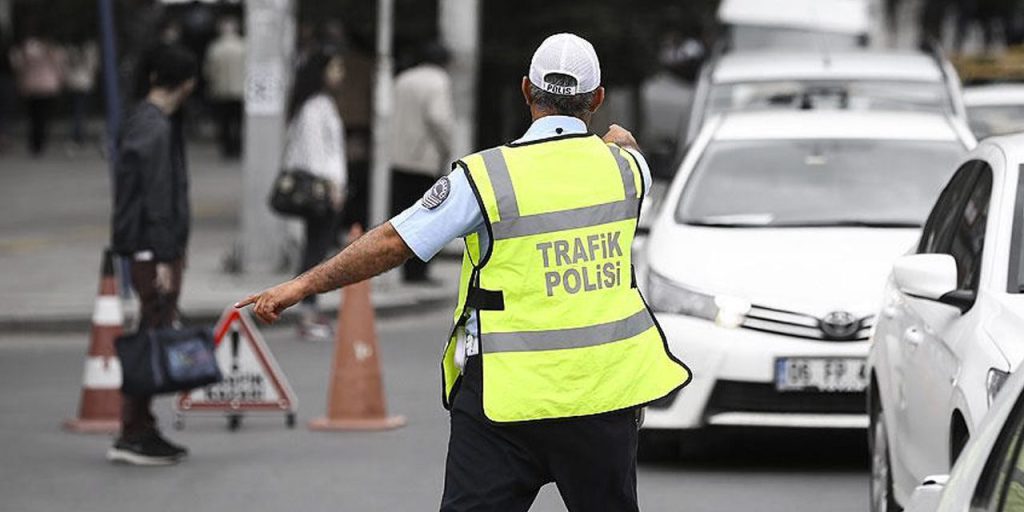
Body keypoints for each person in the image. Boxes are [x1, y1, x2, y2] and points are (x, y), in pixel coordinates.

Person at [237, 33, 690, 511]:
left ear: (525, 91)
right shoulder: (627, 171)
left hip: (504, 398)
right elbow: (627, 146)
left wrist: (302, 284)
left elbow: (395, 241)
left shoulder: (486, 177)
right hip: (602, 396)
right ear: (597, 99)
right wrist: (618, 140)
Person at [109, 43, 197, 466]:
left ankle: (140, 426)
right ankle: (133, 431)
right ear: (187, 83)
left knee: (151, 331)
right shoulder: (156, 127)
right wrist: (165, 256)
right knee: (150, 336)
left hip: (148, 247)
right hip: (152, 250)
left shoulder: (142, 120)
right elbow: (158, 198)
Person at [282, 49, 347, 340]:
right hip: (321, 189)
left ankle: (309, 309)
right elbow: (315, 153)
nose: (339, 74)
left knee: (316, 248)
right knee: (315, 251)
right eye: (335, 67)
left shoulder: (319, 104)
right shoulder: (314, 107)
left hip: (326, 187)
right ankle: (306, 312)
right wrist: (332, 186)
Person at [387, 42, 454, 283]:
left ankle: (405, 269)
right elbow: (438, 117)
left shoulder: (403, 79)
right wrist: (447, 147)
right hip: (424, 159)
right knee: (428, 217)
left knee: (403, 216)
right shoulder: (438, 81)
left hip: (398, 156)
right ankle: (419, 272)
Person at [8, 32, 63, 156]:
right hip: (47, 86)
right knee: (43, 117)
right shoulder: (51, 49)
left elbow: (18, 65)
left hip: (31, 87)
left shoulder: (27, 49)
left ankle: (34, 143)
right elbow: (59, 66)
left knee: (33, 117)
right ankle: (40, 142)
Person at [204, 16, 245, 158]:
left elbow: (209, 70)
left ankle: (227, 148)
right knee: (238, 122)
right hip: (240, 90)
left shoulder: (215, 48)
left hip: (222, 91)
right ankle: (238, 147)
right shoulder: (243, 46)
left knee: (225, 122)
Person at [63, 38, 99, 151]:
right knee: (81, 111)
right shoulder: (90, 48)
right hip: (84, 82)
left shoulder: (70, 49)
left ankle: (77, 135)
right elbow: (93, 66)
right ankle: (79, 135)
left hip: (74, 82)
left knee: (77, 110)